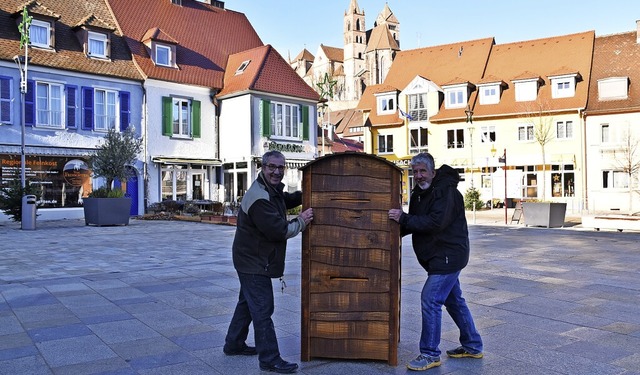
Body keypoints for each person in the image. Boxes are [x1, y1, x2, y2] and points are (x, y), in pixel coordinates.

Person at [388, 152, 483, 371]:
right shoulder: (420, 193)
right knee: (454, 301)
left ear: (433, 171)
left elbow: (435, 222)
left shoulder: (445, 192)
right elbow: (415, 223)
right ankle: (473, 345)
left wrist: (403, 218)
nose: (419, 175)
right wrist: (394, 230)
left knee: (430, 299)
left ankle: (430, 353)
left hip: (448, 256)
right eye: (415, 171)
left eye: (422, 171)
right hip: (437, 256)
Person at [224, 150, 313, 374]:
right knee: (263, 308)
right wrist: (301, 221)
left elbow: (286, 200)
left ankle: (233, 343)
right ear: (262, 168)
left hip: (252, 257)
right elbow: (278, 231)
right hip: (253, 260)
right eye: (272, 167)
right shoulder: (259, 198)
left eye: (280, 167)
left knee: (247, 302)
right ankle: (270, 359)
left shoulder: (270, 190)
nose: (277, 171)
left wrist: (310, 192)